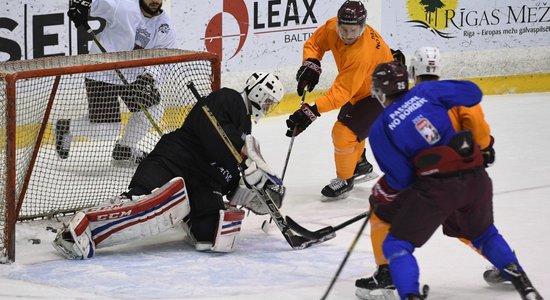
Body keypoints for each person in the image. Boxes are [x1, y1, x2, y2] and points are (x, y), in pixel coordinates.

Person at [52, 72, 287, 258]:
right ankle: (81, 228)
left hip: (202, 182)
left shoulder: (245, 129)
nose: (267, 108)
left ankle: (183, 212)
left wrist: (248, 191)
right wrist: (245, 155)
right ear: (256, 92)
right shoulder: (229, 99)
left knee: (214, 234)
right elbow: (212, 133)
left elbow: (228, 168)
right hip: (175, 160)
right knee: (146, 204)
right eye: (267, 101)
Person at [359, 61, 542, 300]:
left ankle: (408, 295)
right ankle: (524, 285)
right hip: (475, 176)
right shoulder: (426, 91)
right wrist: (439, 92)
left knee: (396, 245)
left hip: (437, 189)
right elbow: (473, 93)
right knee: (485, 235)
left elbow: (402, 178)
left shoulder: (381, 127)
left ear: (379, 92)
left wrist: (380, 192)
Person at [284, 0, 395, 200]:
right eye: (344, 29)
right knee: (352, 126)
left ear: (363, 27)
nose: (348, 35)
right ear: (338, 24)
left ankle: (345, 179)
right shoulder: (331, 27)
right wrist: (312, 62)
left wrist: (311, 111)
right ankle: (359, 165)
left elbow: (340, 93)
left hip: (382, 93)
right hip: (362, 88)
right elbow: (315, 43)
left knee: (343, 132)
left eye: (353, 30)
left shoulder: (361, 54)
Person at [55, 0, 176, 164]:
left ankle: (124, 149)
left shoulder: (165, 27)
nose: (154, 1)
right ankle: (65, 127)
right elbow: (91, 2)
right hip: (103, 72)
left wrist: (150, 76)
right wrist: (80, 5)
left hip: (134, 74)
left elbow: (163, 59)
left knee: (153, 110)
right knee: (107, 131)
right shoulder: (123, 7)